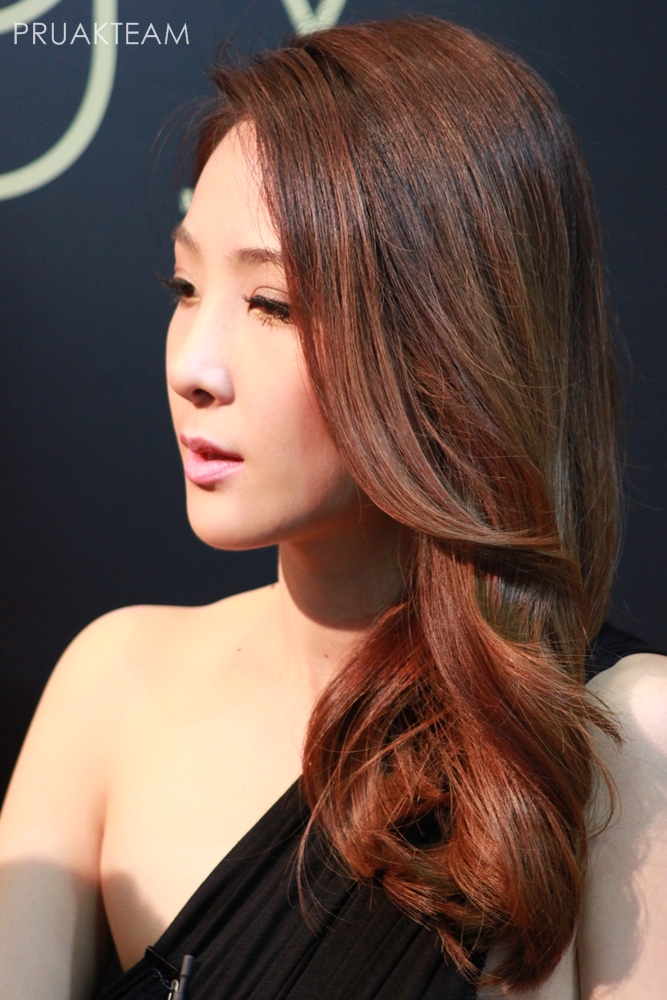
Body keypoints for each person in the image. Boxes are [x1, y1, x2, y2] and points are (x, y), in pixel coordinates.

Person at [0, 17, 666, 1000]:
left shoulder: (627, 741)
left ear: (446, 338)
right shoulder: (114, 684)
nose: (193, 367)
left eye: (272, 304)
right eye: (184, 286)